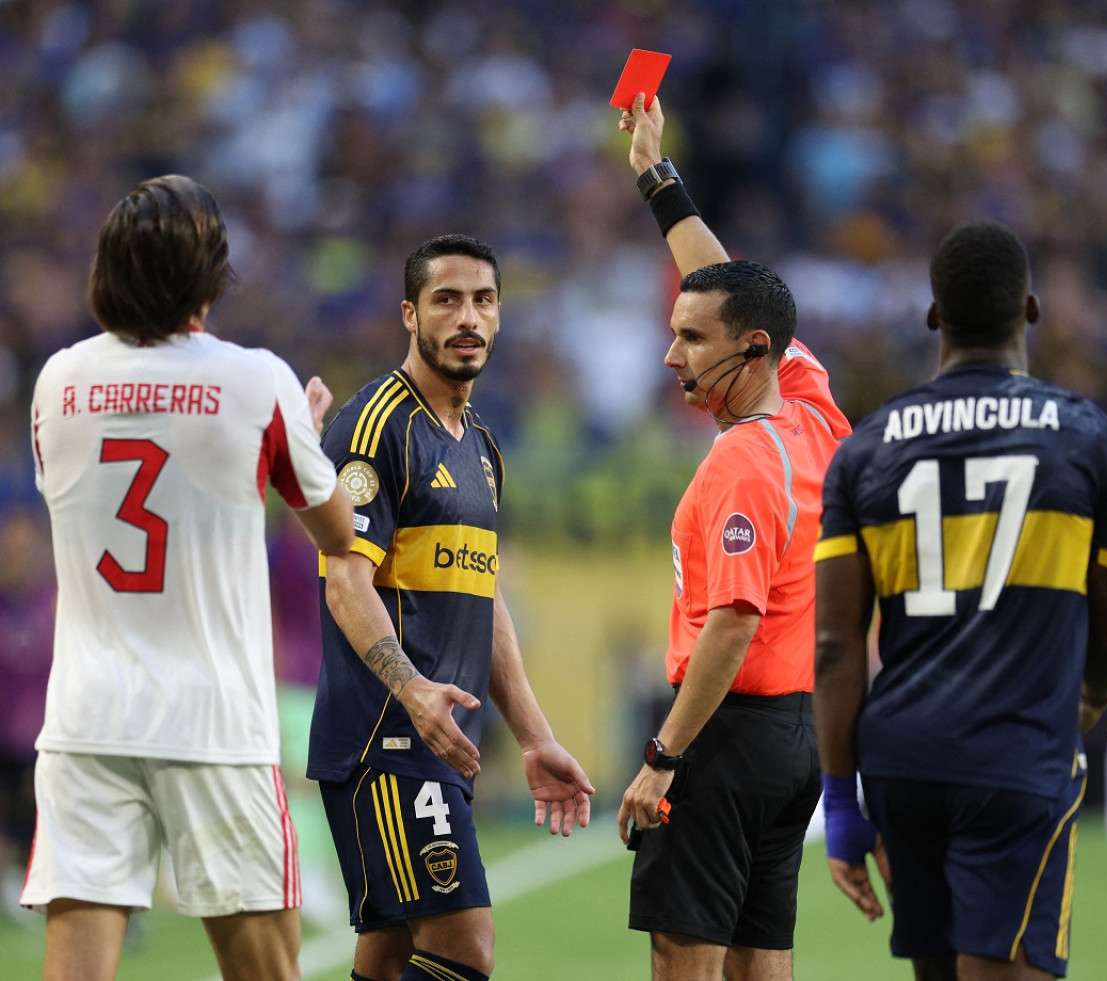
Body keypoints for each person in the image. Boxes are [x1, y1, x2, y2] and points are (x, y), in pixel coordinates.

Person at [19, 174, 356, 981]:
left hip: (86, 718)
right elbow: (337, 529)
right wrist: (301, 440)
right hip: (214, 721)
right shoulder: (256, 379)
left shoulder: (57, 381)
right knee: (265, 971)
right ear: (209, 279)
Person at [814, 219, 1107, 980]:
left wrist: (840, 800)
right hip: (1017, 753)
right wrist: (1090, 695)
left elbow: (834, 645)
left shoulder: (866, 450)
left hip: (902, 764)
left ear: (934, 316)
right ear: (1030, 309)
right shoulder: (1089, 438)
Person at [307, 233, 595, 981]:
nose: (468, 316)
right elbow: (346, 579)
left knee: (390, 951)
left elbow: (483, 596)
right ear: (410, 314)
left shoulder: (483, 448)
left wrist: (533, 736)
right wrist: (413, 692)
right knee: (466, 945)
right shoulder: (374, 427)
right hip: (389, 740)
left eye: (483, 300)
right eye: (447, 300)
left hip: (441, 741)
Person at [614, 95, 852, 981]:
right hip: (795, 737)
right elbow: (730, 288)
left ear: (751, 352)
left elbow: (732, 620)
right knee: (764, 958)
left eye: (687, 339)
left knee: (687, 958)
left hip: (723, 734)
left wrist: (662, 756)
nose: (671, 355)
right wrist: (656, 178)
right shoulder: (815, 409)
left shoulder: (740, 463)